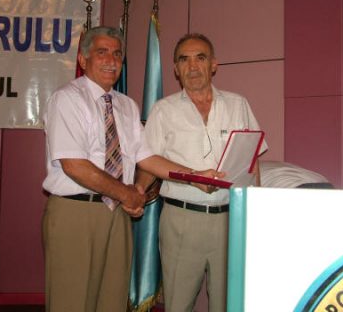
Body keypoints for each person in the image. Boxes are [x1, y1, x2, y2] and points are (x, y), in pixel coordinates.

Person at [42, 26, 219, 312]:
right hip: (76, 212)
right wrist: (128, 194)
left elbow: (147, 157)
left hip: (118, 215)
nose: (111, 60)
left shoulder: (126, 105)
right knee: (71, 302)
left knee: (112, 301)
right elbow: (74, 165)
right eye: (102, 52)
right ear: (83, 60)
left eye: (117, 54)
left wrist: (194, 177)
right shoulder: (67, 99)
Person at [136, 33, 268, 312]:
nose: (193, 66)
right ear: (175, 69)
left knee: (228, 304)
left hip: (230, 220)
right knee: (178, 304)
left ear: (214, 64)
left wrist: (254, 214)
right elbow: (148, 160)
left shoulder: (238, 104)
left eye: (200, 58)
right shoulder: (163, 110)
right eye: (184, 59)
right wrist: (138, 191)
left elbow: (251, 161)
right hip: (181, 221)